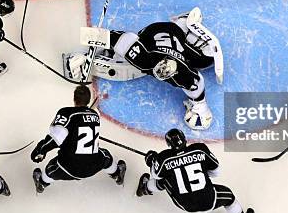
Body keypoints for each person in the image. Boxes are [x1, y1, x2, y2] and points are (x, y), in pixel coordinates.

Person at [64, 8, 223, 130]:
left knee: (205, 60)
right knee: (129, 56)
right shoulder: (144, 61)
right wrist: (95, 38)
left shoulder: (179, 71)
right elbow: (125, 39)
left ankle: (183, 23)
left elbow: (196, 83)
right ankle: (182, 24)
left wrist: (200, 105)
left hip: (173, 35)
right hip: (152, 32)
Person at [136, 128, 255, 213]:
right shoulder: (200, 149)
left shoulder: (164, 158)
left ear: (169, 144)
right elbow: (216, 172)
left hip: (184, 204)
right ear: (184, 139)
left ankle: (145, 188)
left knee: (166, 179)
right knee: (229, 197)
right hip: (209, 200)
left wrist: (152, 161)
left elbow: (155, 175)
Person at [30, 85, 126, 193]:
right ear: (88, 100)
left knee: (52, 168)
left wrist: (40, 150)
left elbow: (55, 139)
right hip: (94, 165)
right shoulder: (95, 115)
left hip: (71, 169)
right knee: (105, 156)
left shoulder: (67, 113)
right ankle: (117, 175)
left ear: (74, 99)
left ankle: (41, 183)